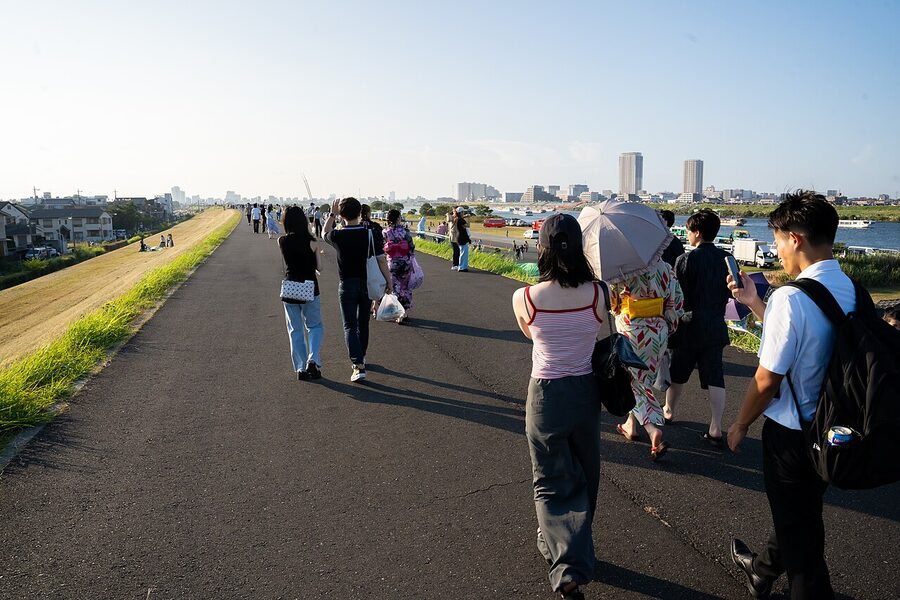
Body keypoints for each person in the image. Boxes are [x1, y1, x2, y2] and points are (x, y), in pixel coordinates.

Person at [727, 191, 854, 600]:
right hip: (836, 429)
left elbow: (767, 381)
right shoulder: (850, 288)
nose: (776, 249)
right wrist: (754, 303)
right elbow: (807, 339)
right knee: (800, 515)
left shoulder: (791, 297)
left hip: (792, 436)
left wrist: (741, 423)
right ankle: (762, 571)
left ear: (795, 238)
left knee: (805, 553)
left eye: (778, 239)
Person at [511, 214, 608, 600]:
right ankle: (567, 545)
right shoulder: (600, 293)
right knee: (587, 470)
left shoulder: (526, 297)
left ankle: (566, 565)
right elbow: (596, 328)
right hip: (586, 393)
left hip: (546, 395)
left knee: (551, 480)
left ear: (543, 249)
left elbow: (529, 335)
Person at [663, 209, 732, 447]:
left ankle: (669, 411)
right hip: (715, 324)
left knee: (678, 373)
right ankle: (716, 427)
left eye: (690, 231)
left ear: (698, 233)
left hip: (688, 325)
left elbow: (676, 296)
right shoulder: (726, 259)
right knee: (715, 377)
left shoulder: (685, 260)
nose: (689, 235)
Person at [612, 255, 684, 460]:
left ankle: (652, 430)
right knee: (644, 380)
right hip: (658, 331)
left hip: (632, 329)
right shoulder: (666, 267)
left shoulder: (622, 268)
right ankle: (631, 424)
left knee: (633, 381)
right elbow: (677, 300)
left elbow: (614, 304)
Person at [323, 197, 393, 382]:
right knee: (363, 323)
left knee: (349, 326)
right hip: (367, 284)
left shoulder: (338, 235)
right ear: (360, 213)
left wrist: (332, 214)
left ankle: (358, 364)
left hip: (347, 284)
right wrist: (389, 281)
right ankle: (361, 356)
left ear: (341, 214)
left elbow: (324, 232)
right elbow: (380, 259)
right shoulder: (370, 234)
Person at [279, 206, 324, 381]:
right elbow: (319, 268)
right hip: (310, 288)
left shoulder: (282, 241)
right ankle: (313, 358)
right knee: (314, 326)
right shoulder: (312, 242)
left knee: (295, 330)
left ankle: (300, 367)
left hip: (290, 288)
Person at [383, 209, 416, 323]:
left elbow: (382, 248)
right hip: (405, 262)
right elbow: (411, 247)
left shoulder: (386, 232)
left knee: (394, 287)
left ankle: (396, 313)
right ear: (398, 218)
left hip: (392, 263)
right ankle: (404, 313)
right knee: (405, 287)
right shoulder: (405, 232)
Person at [449, 207, 471, 272]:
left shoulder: (456, 219)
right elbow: (468, 225)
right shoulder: (461, 220)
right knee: (464, 253)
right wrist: (468, 218)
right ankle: (462, 267)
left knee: (461, 252)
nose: (464, 213)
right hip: (463, 238)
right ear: (461, 213)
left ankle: (461, 266)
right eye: (463, 212)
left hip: (459, 238)